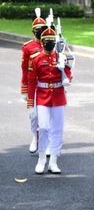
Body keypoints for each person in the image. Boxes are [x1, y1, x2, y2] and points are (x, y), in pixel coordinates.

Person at [27, 25, 72, 174]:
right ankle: (41, 159)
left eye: (52, 41)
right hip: (42, 96)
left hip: (58, 96)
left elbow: (68, 77)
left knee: (57, 130)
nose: (50, 43)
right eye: (47, 41)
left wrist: (64, 67)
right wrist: (30, 103)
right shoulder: (36, 59)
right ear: (43, 42)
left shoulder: (60, 56)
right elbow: (32, 82)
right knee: (44, 128)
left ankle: (53, 161)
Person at [21, 8, 46, 154]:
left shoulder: (50, 44)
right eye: (36, 29)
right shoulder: (28, 47)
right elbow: (24, 69)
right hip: (33, 86)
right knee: (34, 115)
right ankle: (34, 137)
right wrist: (24, 89)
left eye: (41, 29)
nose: (38, 32)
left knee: (46, 117)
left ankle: (45, 142)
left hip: (47, 86)